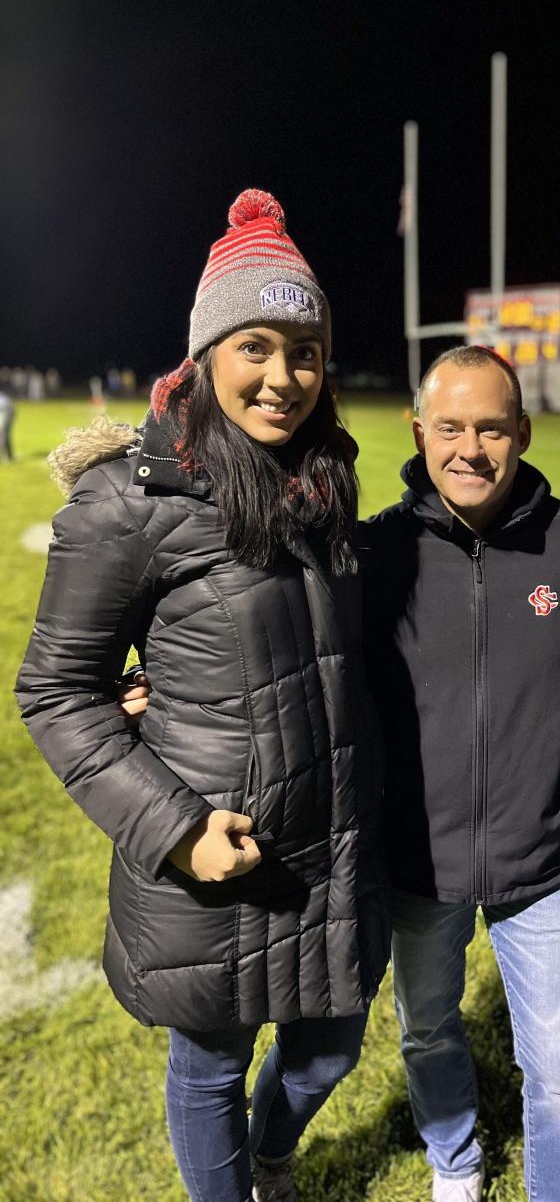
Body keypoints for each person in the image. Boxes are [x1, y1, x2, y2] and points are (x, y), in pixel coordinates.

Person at [16, 189, 390, 1202]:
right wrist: (177, 827)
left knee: (328, 1051)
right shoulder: (128, 499)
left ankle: (271, 1159)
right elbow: (57, 692)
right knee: (212, 1067)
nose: (283, 376)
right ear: (208, 351)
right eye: (256, 346)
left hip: (331, 847)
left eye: (304, 350)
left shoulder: (327, 475)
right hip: (217, 852)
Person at [360, 346, 560, 1201]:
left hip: (539, 868)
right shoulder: (377, 556)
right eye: (453, 426)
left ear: (523, 433)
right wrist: (148, 683)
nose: (471, 448)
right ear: (421, 430)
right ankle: (455, 1166)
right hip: (417, 865)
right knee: (428, 1033)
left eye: (492, 427)